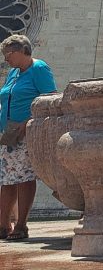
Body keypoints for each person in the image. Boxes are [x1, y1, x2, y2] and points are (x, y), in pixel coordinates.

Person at [0, 35, 57, 242]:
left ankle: (21, 225)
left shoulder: (39, 68)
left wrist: (28, 122)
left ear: (22, 51)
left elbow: (50, 98)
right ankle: (3, 224)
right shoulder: (14, 73)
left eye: (8, 54)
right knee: (7, 180)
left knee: (24, 178)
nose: (5, 59)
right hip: (8, 134)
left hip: (27, 132)